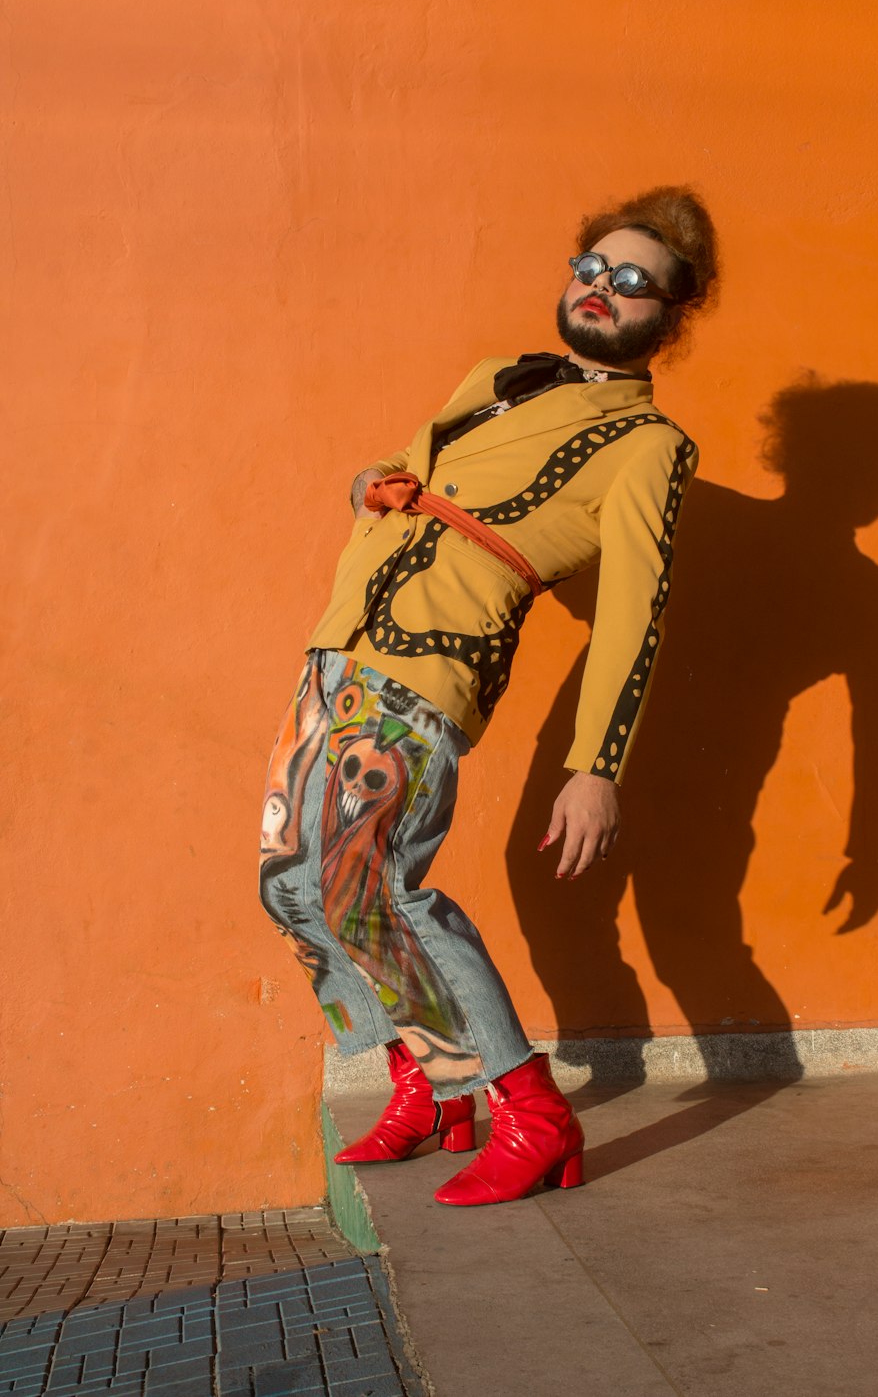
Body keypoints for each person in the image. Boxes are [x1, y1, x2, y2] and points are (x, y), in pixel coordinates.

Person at [259, 186, 719, 1206]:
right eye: (590, 267)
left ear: (673, 313)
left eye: (633, 280)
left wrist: (594, 770)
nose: (601, 289)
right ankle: (426, 1084)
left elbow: (634, 615)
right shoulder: (499, 380)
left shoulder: (650, 447)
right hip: (337, 651)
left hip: (425, 671)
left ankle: (529, 1107)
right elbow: (420, 479)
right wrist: (370, 486)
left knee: (379, 888)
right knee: (293, 889)